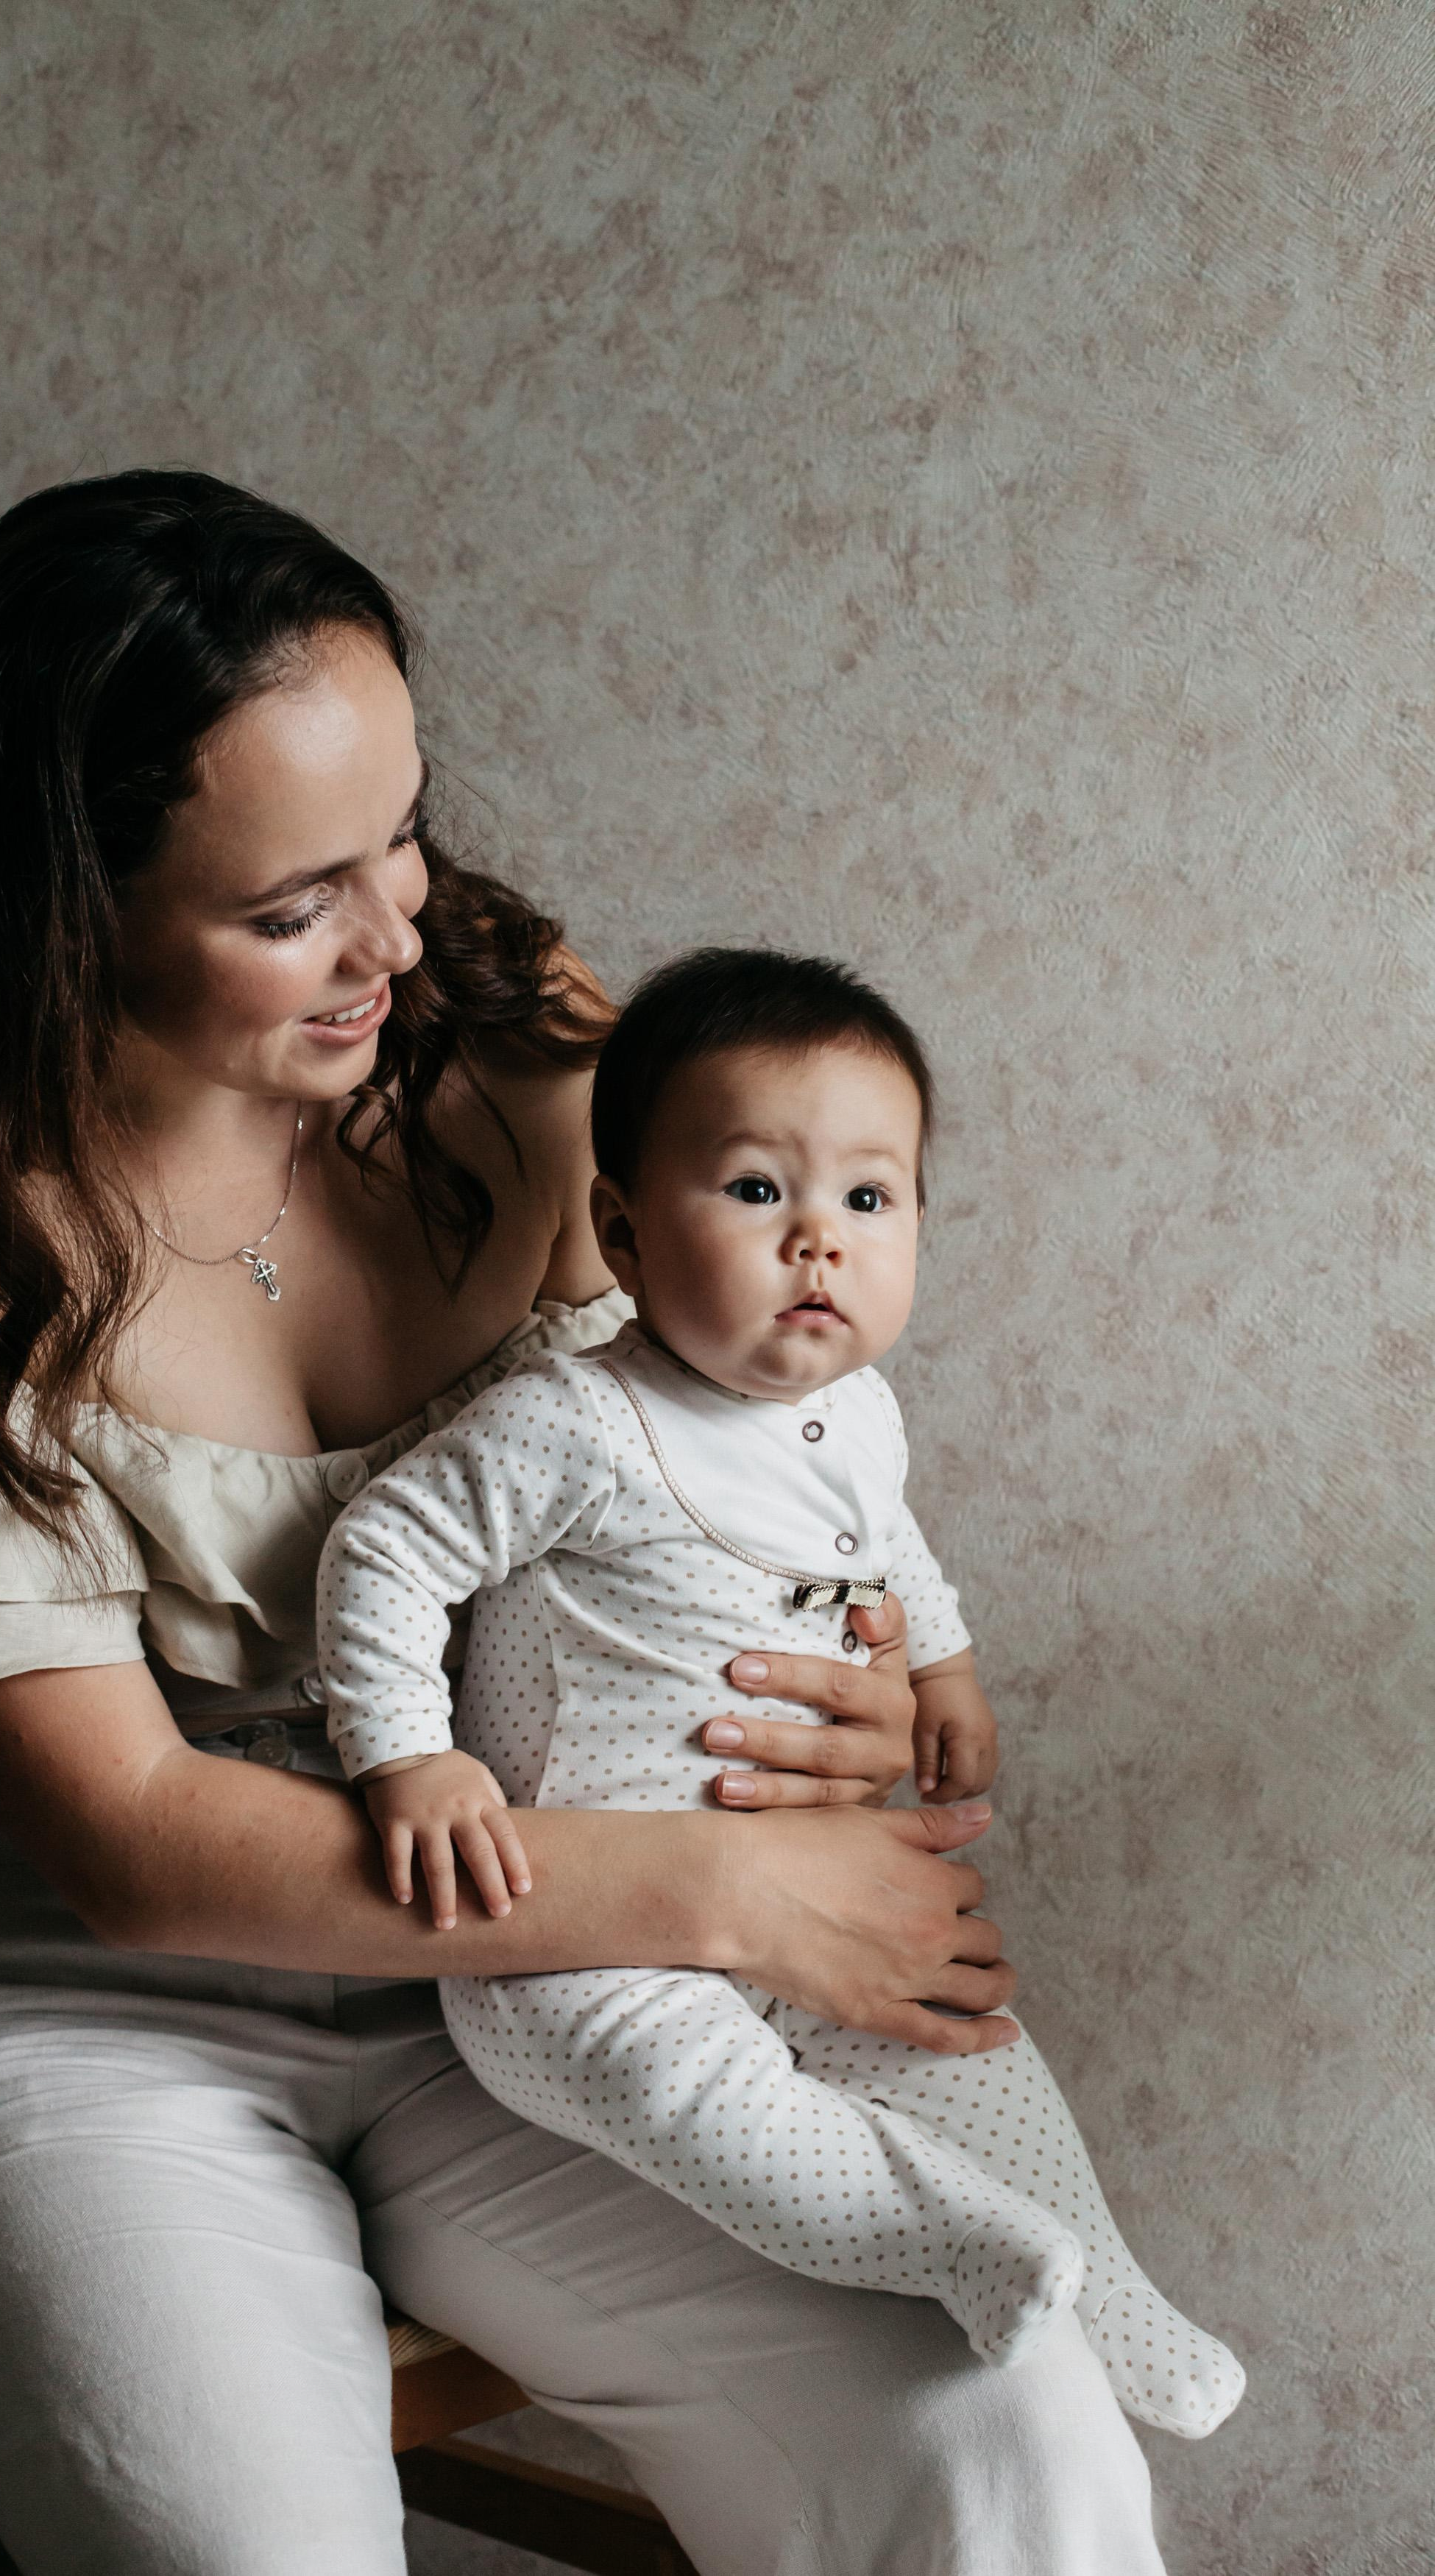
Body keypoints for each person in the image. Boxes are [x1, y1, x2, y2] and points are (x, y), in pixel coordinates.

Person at [0, 469, 1165, 2575]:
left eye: (397, 828)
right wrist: (727, 1895)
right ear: (64, 900)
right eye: (292, 897)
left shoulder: (503, 1041)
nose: (396, 927)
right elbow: (130, 1847)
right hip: (90, 2000)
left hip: (553, 1976)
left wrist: (835, 1692)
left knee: (995, 2401)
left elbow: (739, 1432)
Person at [319, 944, 1245, 2437]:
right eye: (758, 1191)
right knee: (704, 2105)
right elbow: (385, 1550)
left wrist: (938, 1664)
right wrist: (407, 1756)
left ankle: (1116, 2295)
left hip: (812, 1890)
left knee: (967, 2033)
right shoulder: (578, 1424)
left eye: (868, 1200)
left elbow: (894, 1546)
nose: (819, 1237)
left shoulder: (857, 1413)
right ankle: (942, 2237)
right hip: (576, 1939)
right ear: (621, 1231)